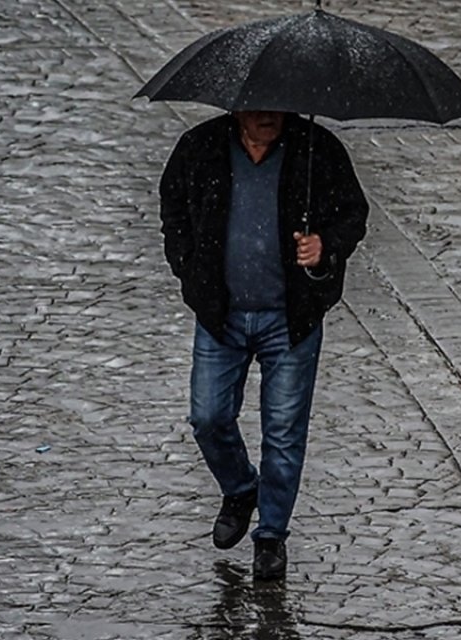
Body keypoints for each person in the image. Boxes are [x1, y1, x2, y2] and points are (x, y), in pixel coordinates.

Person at [158, 110, 369, 580]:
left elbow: (353, 214)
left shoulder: (317, 150)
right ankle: (240, 488)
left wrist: (325, 246)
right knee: (208, 416)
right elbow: (174, 209)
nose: (267, 116)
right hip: (221, 317)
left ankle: (271, 535)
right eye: (257, 106)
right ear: (237, 108)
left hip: (290, 319)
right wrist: (190, 272)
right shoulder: (201, 148)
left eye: (275, 106)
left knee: (284, 432)